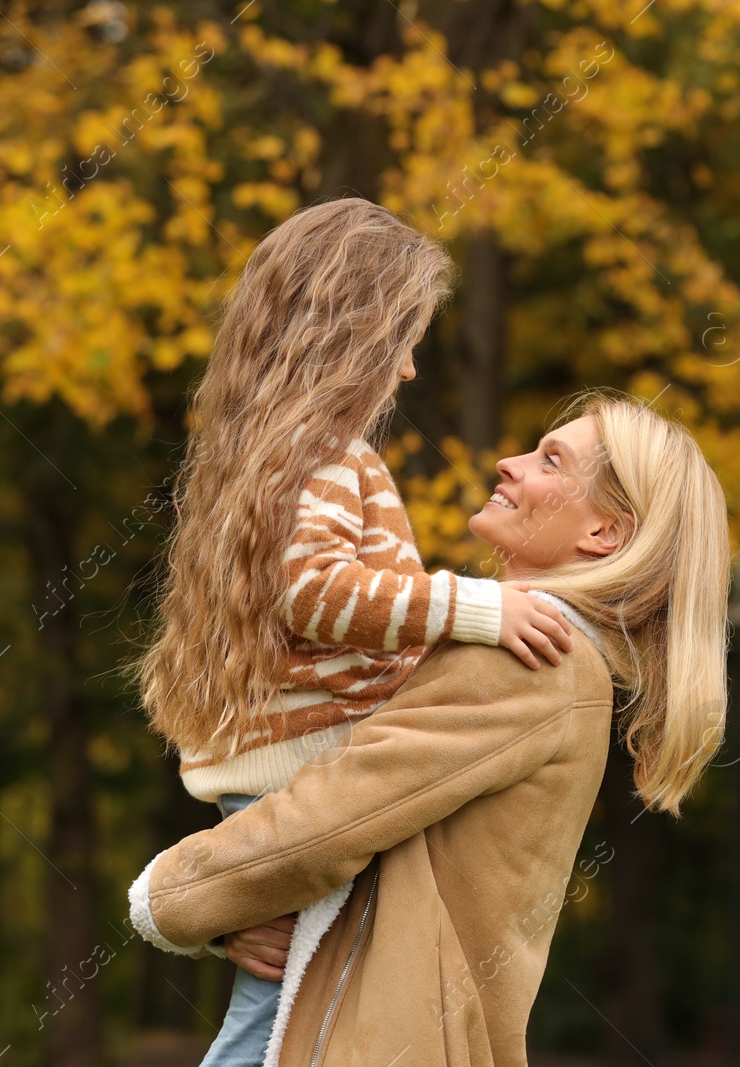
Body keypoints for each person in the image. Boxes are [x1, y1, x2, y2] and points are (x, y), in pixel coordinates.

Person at [130, 393, 732, 1066]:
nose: (510, 463)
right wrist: (243, 920)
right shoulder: (544, 660)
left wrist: (168, 897)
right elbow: (379, 854)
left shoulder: (528, 663)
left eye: (550, 459)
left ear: (604, 535)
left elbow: (327, 822)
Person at [129, 197, 578, 1067]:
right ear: (354, 335)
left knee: (289, 1014)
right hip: (302, 783)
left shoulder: (267, 453)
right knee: (276, 1027)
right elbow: (318, 593)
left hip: (277, 787)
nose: (409, 370)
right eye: (403, 340)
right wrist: (479, 608)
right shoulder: (330, 457)